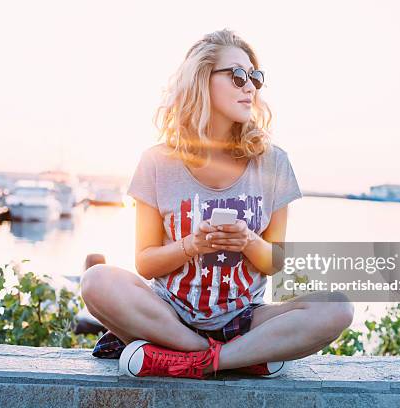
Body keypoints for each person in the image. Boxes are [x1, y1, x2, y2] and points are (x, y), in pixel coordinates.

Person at [81, 28, 354, 380]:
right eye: (238, 76)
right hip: (168, 315)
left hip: (245, 318)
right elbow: (146, 263)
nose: (250, 87)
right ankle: (236, 358)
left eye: (255, 78)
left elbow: (275, 262)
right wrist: (191, 245)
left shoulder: (273, 163)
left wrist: (248, 242)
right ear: (201, 80)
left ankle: (186, 360)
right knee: (96, 281)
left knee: (337, 308)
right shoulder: (156, 162)